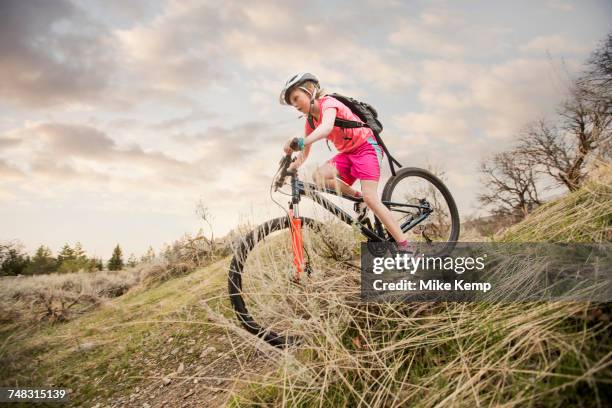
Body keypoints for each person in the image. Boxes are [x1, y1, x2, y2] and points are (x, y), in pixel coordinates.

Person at [279, 72, 414, 252]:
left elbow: (327, 128)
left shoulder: (329, 104)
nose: (295, 105)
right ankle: (358, 198)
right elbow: (304, 155)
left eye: (296, 98)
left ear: (310, 90)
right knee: (319, 176)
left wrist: (302, 141)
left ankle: (407, 248)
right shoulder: (310, 121)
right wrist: (288, 169)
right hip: (348, 154)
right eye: (292, 103)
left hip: (366, 147)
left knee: (371, 197)